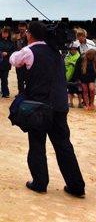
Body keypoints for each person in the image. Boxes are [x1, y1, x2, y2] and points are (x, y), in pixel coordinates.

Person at [10, 21, 85, 198]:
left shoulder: (29, 51)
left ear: (30, 34)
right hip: (59, 105)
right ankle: (76, 186)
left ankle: (40, 182)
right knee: (64, 146)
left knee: (37, 144)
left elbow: (14, 60)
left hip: (39, 106)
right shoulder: (56, 52)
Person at [0, 27, 14, 98]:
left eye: (6, 33)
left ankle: (5, 92)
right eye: (3, 33)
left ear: (8, 34)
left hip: (6, 62)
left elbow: (13, 51)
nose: (5, 34)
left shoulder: (11, 42)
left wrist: (8, 53)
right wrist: (1, 53)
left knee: (4, 78)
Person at [65, 42, 82, 108]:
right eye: (71, 49)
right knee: (70, 90)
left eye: (74, 49)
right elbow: (65, 63)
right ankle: (70, 102)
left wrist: (71, 63)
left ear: (77, 49)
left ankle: (80, 103)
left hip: (77, 75)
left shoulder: (79, 56)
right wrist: (71, 63)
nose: (73, 50)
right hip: (69, 75)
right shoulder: (67, 56)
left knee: (79, 90)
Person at [14, 22, 29, 95]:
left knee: (27, 78)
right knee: (19, 78)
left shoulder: (29, 36)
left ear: (26, 28)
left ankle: (27, 92)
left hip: (27, 60)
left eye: (23, 27)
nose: (21, 28)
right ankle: (21, 93)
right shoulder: (16, 37)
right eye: (20, 26)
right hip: (19, 60)